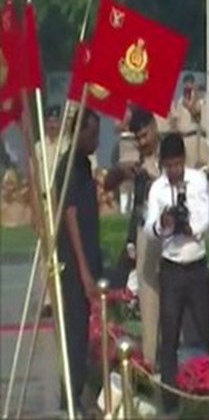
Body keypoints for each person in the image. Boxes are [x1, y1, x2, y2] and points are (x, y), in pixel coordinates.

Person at [144, 133, 209, 416]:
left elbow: (207, 216)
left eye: (176, 164)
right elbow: (149, 228)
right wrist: (163, 223)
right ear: (161, 164)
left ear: (184, 160)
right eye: (168, 166)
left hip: (196, 264)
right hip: (171, 267)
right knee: (169, 335)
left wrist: (191, 227)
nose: (173, 170)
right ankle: (170, 399)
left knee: (207, 328)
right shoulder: (157, 189)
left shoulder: (198, 180)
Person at [105, 107, 163, 365]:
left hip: (171, 235)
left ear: (154, 128)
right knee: (148, 296)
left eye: (144, 136)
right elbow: (135, 206)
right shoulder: (137, 164)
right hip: (145, 233)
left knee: (174, 298)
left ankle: (179, 357)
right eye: (137, 138)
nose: (142, 142)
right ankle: (151, 358)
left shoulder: (171, 152)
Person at [56, 109, 102, 416]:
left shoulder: (85, 164)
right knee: (74, 333)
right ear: (80, 132)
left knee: (83, 333)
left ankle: (77, 394)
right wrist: (84, 271)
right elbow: (70, 215)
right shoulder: (69, 164)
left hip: (89, 257)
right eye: (93, 134)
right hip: (73, 265)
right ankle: (70, 400)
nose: (97, 140)